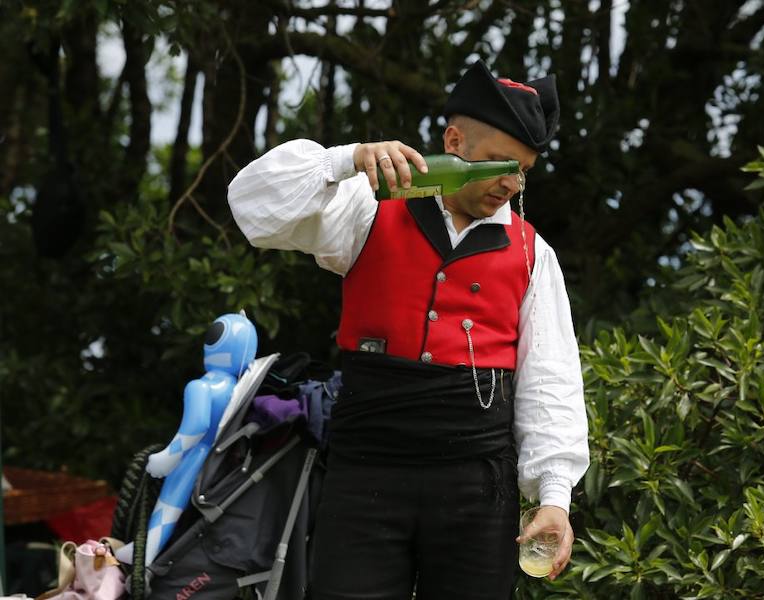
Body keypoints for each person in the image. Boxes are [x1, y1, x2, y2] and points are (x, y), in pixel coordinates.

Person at [227, 59, 589, 599]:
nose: (509, 184)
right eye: (496, 164)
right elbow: (253, 209)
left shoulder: (535, 254)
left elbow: (551, 381)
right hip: (367, 472)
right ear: (454, 141)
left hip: (476, 485)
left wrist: (554, 497)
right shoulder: (368, 210)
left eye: (522, 171)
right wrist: (347, 158)